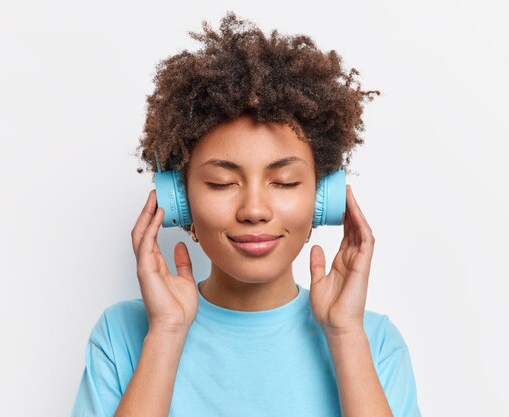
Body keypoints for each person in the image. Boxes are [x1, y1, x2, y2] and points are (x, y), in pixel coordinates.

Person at [71, 11, 421, 417]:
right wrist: (166, 332)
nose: (254, 210)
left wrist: (344, 334)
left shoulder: (372, 341)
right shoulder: (122, 335)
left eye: (286, 182)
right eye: (222, 183)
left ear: (322, 200)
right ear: (180, 201)